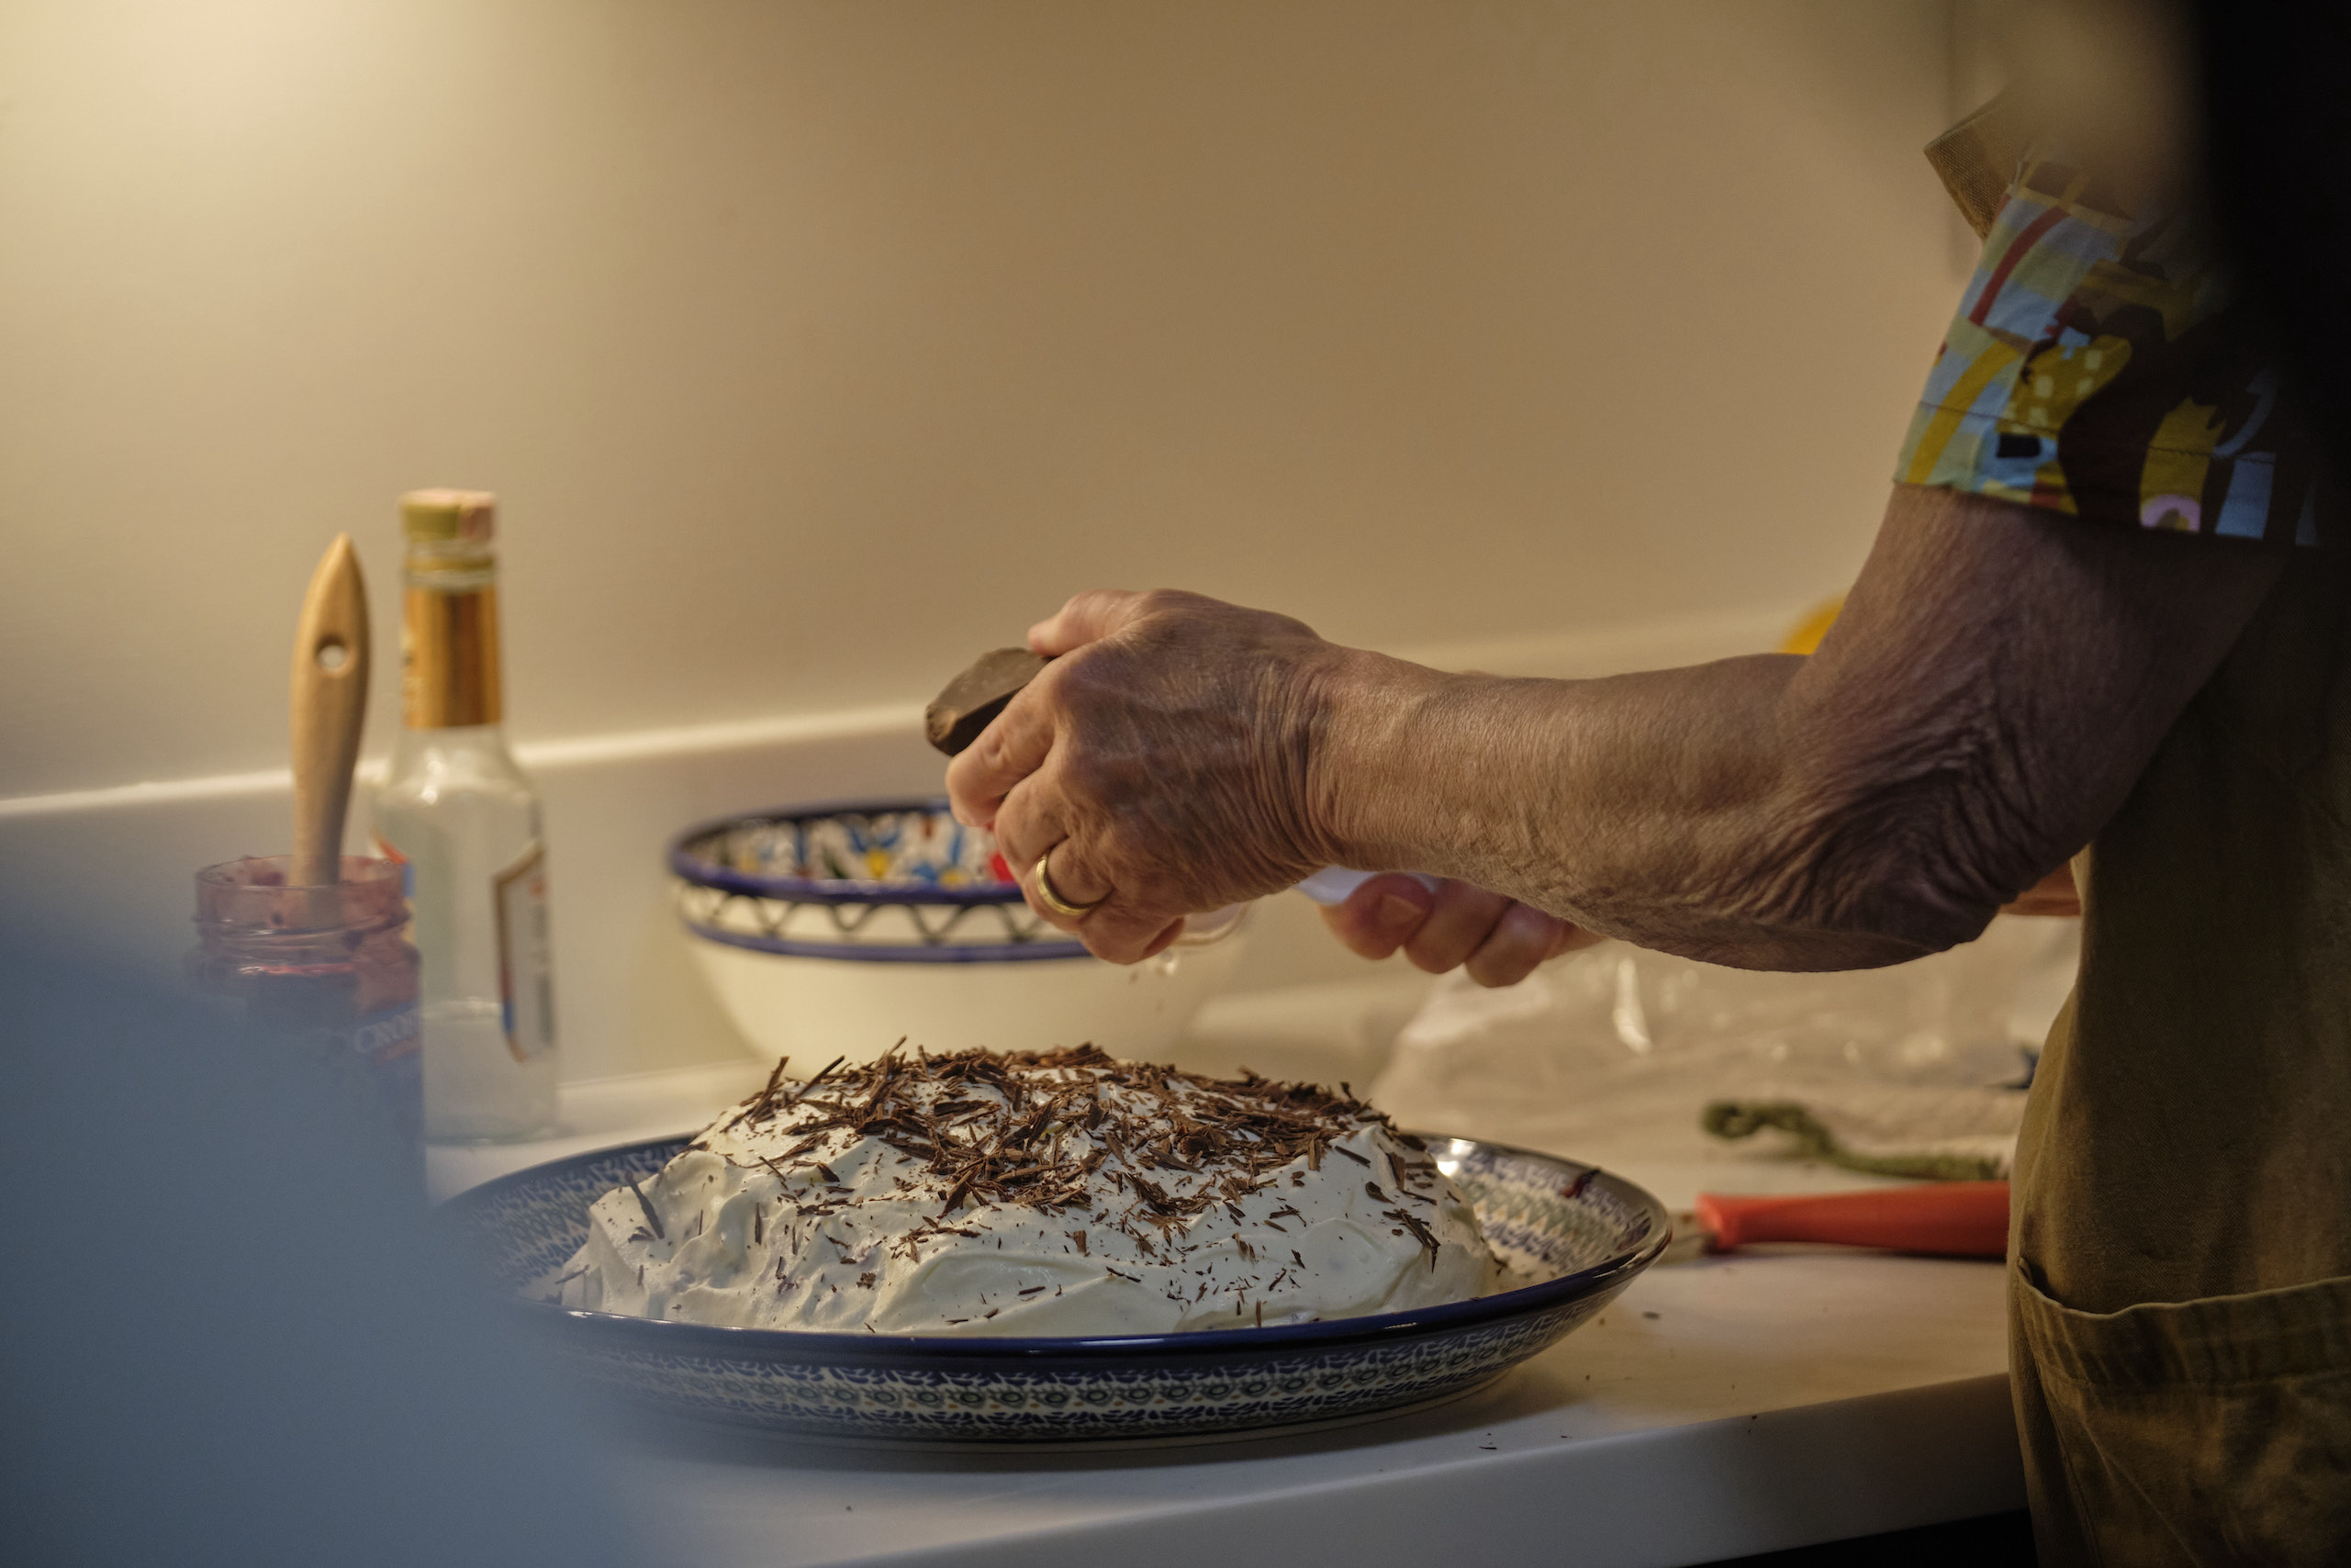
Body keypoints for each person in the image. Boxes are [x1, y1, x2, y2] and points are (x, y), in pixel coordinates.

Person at [943, 5, 2351, 1561]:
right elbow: (2210, 770)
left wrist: (1295, 743)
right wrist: (1567, 828)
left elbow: (1892, 803)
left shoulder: (2220, 115)